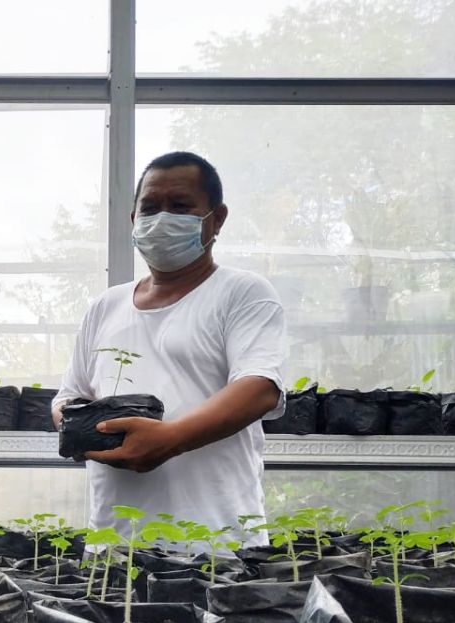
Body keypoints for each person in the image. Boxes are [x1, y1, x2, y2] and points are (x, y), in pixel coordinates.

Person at [53, 151, 286, 538]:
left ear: (217, 218)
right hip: (113, 544)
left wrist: (171, 439)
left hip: (214, 544)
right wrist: (80, 427)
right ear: (134, 220)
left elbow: (259, 387)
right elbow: (68, 396)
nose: (161, 219)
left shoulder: (243, 292)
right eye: (150, 208)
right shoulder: (105, 306)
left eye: (179, 206)